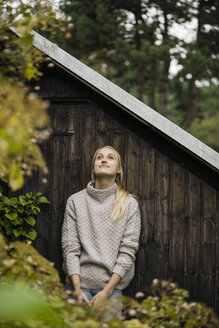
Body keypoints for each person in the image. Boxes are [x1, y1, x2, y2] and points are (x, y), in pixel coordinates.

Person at [61, 146, 141, 313]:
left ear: (118, 169)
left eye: (110, 157)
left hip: (110, 289)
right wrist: (76, 290)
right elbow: (70, 249)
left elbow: (128, 251)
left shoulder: (128, 203)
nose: (104, 160)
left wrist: (106, 292)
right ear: (93, 167)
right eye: (99, 157)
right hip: (76, 286)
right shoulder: (75, 201)